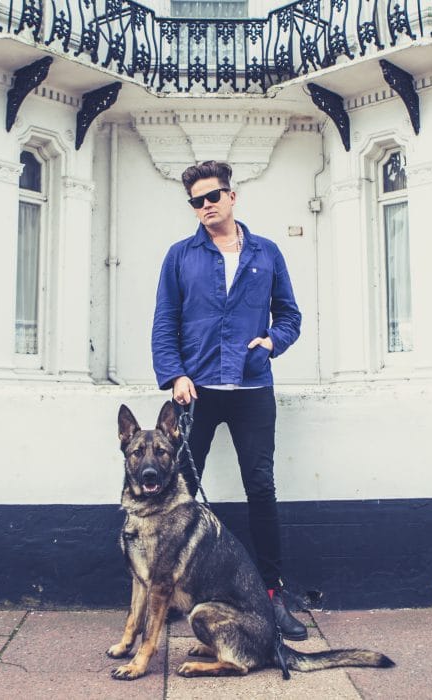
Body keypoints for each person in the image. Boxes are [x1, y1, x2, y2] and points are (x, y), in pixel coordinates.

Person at [151, 160, 307, 641]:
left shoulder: (267, 253)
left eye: (211, 197)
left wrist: (272, 342)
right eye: (195, 202)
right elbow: (164, 323)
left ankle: (272, 595)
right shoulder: (180, 256)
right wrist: (174, 374)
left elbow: (290, 316)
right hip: (195, 392)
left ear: (231, 196)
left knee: (260, 487)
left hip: (252, 390)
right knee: (182, 496)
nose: (204, 207)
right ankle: (182, 594)